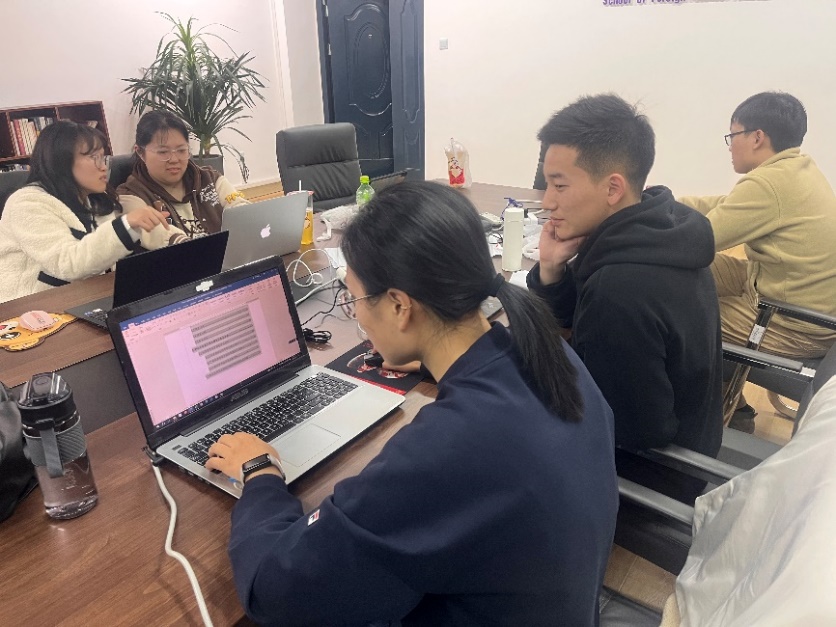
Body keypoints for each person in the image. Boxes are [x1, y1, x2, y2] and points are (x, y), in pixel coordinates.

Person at [205, 181, 619, 626]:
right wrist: (431, 362)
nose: (356, 314)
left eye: (355, 299)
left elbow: (274, 592)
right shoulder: (548, 353)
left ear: (400, 306)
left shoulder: (445, 450)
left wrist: (260, 474)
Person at [526, 94, 723, 503]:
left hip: (651, 478)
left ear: (613, 187)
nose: (547, 202)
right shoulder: (659, 230)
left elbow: (632, 430)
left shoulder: (620, 289)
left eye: (559, 185)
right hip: (695, 442)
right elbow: (580, 316)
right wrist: (551, 269)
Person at [679, 92, 836, 432]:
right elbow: (725, 205)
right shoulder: (795, 170)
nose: (730, 146)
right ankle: (727, 396)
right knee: (693, 275)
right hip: (777, 289)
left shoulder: (769, 183)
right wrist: (664, 202)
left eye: (732, 135)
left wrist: (636, 227)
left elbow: (697, 242)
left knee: (678, 317)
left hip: (791, 321)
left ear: (757, 137)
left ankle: (732, 413)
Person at [0, 120, 175, 303]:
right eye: (94, 157)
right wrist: (126, 225)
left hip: (87, 299)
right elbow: (67, 264)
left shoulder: (94, 199)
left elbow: (105, 259)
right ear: (62, 161)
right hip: (28, 309)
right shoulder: (27, 203)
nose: (103, 167)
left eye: (103, 157)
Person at [117, 110, 249, 239]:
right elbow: (158, 235)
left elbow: (239, 209)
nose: (174, 159)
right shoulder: (130, 196)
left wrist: (249, 220)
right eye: (163, 152)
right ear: (140, 152)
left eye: (181, 150)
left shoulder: (210, 180)